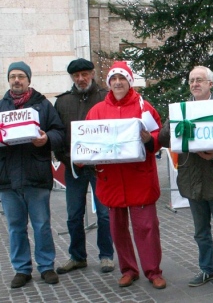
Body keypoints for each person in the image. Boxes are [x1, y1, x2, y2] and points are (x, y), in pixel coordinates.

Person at [158, 66, 213, 289]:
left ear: (210, 84)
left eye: (199, 80)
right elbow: (163, 139)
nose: (194, 84)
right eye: (191, 80)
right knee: (200, 232)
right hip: (192, 179)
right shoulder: (182, 110)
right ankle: (207, 269)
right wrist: (173, 121)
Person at [86, 61, 166, 290]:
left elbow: (158, 135)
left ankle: (153, 271)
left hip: (139, 178)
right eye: (114, 79)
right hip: (111, 180)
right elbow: (88, 141)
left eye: (122, 78)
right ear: (109, 83)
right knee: (117, 230)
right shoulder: (97, 111)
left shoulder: (144, 107)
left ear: (129, 81)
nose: (118, 82)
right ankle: (129, 269)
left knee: (147, 229)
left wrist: (149, 139)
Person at [0, 61, 65, 288]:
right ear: (9, 80)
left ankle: (46, 266)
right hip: (7, 178)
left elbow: (59, 132)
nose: (16, 80)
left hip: (36, 176)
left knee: (41, 225)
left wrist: (46, 138)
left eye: (21, 76)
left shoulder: (43, 105)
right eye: (12, 77)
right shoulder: (1, 107)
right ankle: (22, 269)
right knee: (15, 227)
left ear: (28, 80)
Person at [53, 58, 114, 275]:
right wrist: (66, 158)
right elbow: (57, 134)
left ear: (92, 73)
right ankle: (77, 256)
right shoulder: (63, 102)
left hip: (101, 167)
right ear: (71, 77)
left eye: (85, 74)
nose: (81, 79)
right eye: (76, 76)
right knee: (73, 214)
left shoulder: (105, 97)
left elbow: (112, 130)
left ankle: (106, 255)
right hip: (74, 167)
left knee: (105, 214)